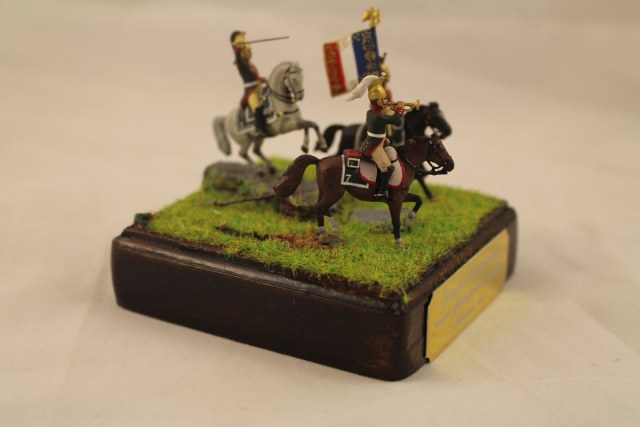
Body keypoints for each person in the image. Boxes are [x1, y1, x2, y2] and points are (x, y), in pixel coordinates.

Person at [346, 73, 405, 200]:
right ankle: (381, 192)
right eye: (384, 99)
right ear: (378, 101)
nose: (387, 101)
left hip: (378, 141)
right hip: (374, 146)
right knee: (388, 167)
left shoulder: (372, 112)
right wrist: (400, 108)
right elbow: (395, 120)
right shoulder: (378, 116)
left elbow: (382, 126)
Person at [230, 31, 268, 136]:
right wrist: (237, 49)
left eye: (250, 51)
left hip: (259, 87)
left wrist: (261, 79)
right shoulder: (240, 64)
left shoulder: (251, 65)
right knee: (257, 106)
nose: (249, 53)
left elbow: (253, 77)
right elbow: (238, 58)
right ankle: (259, 128)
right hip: (251, 92)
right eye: (246, 51)